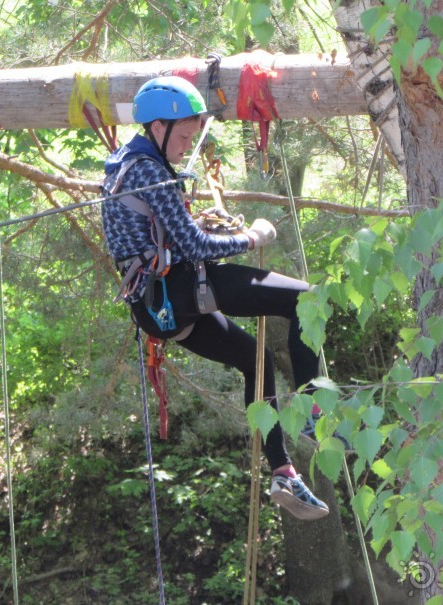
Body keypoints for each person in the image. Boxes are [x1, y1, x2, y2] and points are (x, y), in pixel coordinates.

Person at [101, 76, 328, 521]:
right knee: (305, 299)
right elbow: (196, 249)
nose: (186, 146)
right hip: (178, 286)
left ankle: (283, 471)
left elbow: (166, 236)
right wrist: (250, 236)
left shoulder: (123, 164)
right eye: (183, 136)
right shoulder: (148, 172)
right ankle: (313, 408)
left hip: (156, 308)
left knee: (255, 360)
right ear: (158, 127)